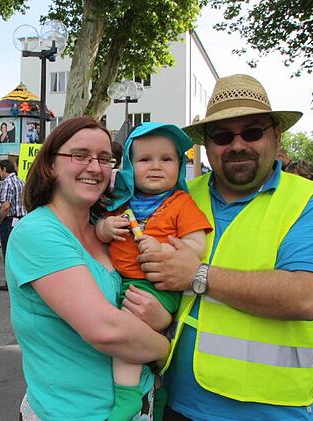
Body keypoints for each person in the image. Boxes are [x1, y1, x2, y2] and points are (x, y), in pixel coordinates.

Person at [136, 74, 313, 420]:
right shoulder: (182, 195)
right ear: (206, 144)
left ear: (276, 136)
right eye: (222, 135)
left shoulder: (306, 201)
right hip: (172, 403)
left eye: (252, 132)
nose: (237, 145)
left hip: (271, 412)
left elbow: (307, 297)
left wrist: (197, 275)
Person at [7, 116, 170, 419]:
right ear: (50, 165)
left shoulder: (104, 227)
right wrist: (166, 350)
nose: (95, 167)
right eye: (80, 155)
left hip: (140, 403)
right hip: (76, 412)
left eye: (105, 158)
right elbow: (105, 330)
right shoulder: (38, 232)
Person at [95, 123, 211, 420]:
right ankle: (158, 395)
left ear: (180, 165)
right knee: (140, 351)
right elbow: (98, 232)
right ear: (130, 166)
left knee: (126, 335)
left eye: (167, 159)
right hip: (122, 281)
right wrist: (105, 227)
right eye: (145, 160)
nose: (156, 167)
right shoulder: (122, 203)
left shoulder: (181, 203)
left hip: (156, 285)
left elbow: (197, 244)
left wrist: (164, 252)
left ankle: (126, 397)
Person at [0, 159, 26, 291]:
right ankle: (21, 280)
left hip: (9, 220)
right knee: (19, 251)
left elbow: (6, 206)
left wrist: (0, 219)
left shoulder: (7, 183)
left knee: (8, 252)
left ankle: (10, 282)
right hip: (21, 219)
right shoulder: (20, 181)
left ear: (3, 169)